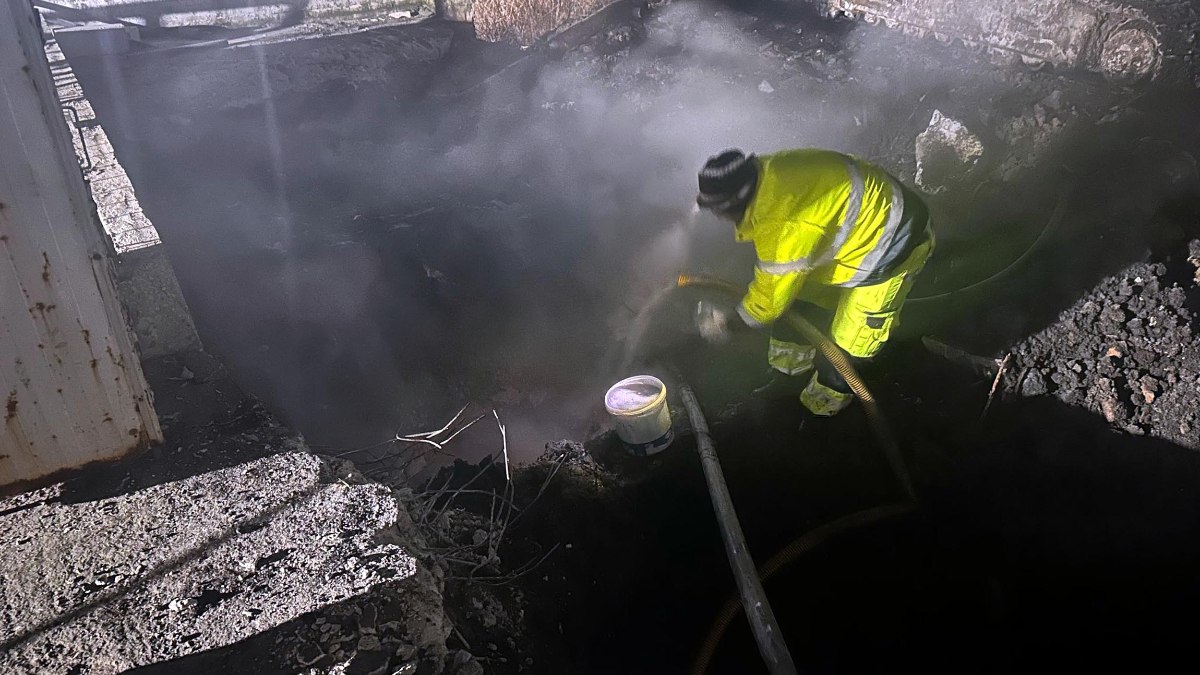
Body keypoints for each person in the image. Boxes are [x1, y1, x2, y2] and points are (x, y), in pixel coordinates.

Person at [694, 148, 934, 417]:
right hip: (853, 228)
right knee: (796, 305)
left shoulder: (783, 225)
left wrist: (727, 324)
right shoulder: (766, 172)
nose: (716, 217)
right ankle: (787, 378)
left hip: (891, 242)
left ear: (735, 203)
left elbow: (769, 303)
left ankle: (820, 412)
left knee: (851, 342)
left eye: (717, 210)